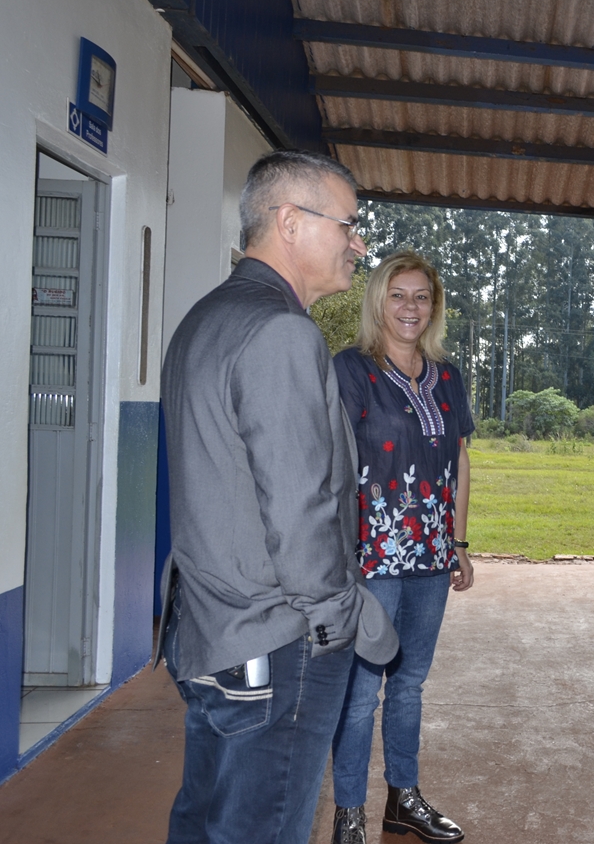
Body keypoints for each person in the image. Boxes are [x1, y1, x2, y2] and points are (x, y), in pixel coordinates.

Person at [157, 149, 398, 844]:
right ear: (290, 222)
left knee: (206, 821)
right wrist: (343, 616)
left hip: (211, 630)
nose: (359, 243)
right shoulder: (281, 332)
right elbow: (299, 511)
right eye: (349, 225)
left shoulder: (208, 316)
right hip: (277, 637)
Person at [329, 250, 475, 844]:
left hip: (432, 559)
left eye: (421, 296)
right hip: (372, 560)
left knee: (409, 684)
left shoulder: (448, 375)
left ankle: (402, 799)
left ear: (434, 307)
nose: (410, 307)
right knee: (361, 692)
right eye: (398, 294)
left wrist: (459, 543)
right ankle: (348, 814)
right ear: (378, 301)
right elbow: (332, 461)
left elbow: (461, 461)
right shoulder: (352, 370)